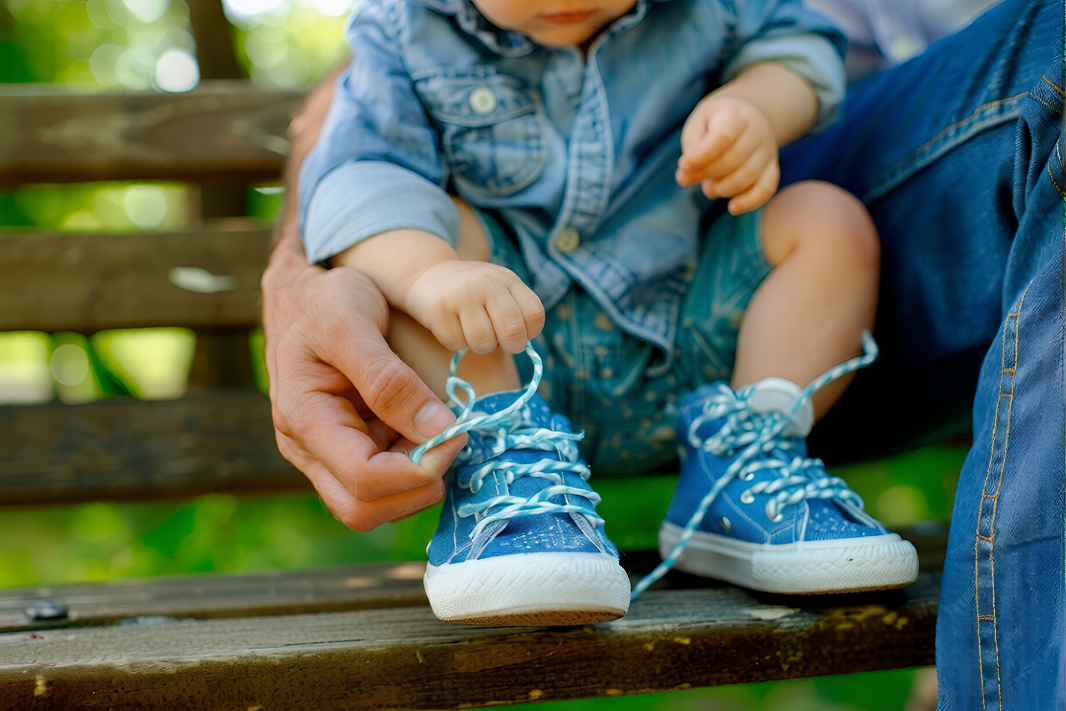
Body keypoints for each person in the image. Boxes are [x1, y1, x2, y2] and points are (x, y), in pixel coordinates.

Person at [263, 0, 1062, 702]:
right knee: (421, 248)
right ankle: (505, 484)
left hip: (691, 336)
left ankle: (743, 459)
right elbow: (361, 174)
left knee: (824, 219)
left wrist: (756, 105)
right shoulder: (405, 33)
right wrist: (429, 273)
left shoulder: (705, 9)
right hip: (513, 350)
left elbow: (797, 42)